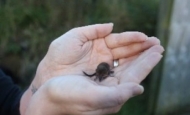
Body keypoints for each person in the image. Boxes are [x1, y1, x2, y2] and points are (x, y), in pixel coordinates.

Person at [0, 23, 164, 115]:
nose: (98, 78)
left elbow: (7, 100)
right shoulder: (101, 72)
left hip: (104, 68)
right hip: (103, 68)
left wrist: (37, 90)